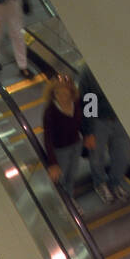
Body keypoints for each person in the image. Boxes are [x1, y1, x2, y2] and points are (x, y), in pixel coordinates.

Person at [76, 62, 130, 204]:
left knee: (122, 155)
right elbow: (88, 102)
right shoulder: (88, 72)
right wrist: (88, 132)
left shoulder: (117, 64)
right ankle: (100, 183)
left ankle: (115, 183)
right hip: (99, 121)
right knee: (96, 156)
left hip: (120, 119)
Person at [43, 73, 85, 202]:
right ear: (53, 94)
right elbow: (47, 138)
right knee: (61, 179)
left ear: (71, 93)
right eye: (57, 94)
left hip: (76, 145)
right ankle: (63, 203)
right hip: (60, 150)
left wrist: (89, 134)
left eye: (65, 94)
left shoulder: (77, 104)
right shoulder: (50, 112)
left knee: (72, 175)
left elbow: (84, 120)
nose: (61, 97)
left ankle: (70, 198)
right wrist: (53, 163)